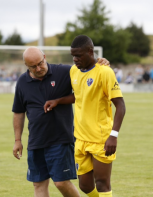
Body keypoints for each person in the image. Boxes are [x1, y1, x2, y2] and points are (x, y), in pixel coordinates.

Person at [12, 46, 110, 197]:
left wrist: (98, 62)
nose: (38, 68)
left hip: (61, 139)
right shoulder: (22, 82)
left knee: (61, 182)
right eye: (33, 66)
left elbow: (85, 69)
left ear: (44, 57)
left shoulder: (64, 72)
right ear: (26, 66)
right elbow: (18, 112)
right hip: (36, 141)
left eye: (40, 63)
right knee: (38, 184)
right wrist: (17, 140)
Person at [44, 35, 126, 197]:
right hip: (80, 137)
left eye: (78, 55)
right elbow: (79, 95)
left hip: (101, 138)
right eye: (73, 55)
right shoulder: (74, 71)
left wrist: (113, 136)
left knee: (102, 183)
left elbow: (121, 105)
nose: (75, 59)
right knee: (85, 185)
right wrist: (58, 101)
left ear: (90, 52)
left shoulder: (105, 72)